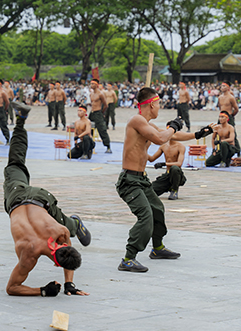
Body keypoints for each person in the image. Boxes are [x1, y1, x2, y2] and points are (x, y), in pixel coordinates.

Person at [116, 87, 214, 272]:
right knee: (146, 216)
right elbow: (162, 138)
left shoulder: (147, 124)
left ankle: (157, 248)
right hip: (129, 181)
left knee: (158, 209)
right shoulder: (137, 120)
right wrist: (173, 126)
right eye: (159, 103)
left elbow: (172, 136)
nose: (160, 107)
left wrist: (198, 134)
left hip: (141, 180)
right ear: (152, 104)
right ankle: (128, 258)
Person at [3, 101, 91, 296]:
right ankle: (75, 223)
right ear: (55, 263)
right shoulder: (30, 253)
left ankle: (21, 121)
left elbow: (13, 287)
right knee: (67, 225)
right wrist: (42, 291)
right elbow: (11, 289)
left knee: (16, 162)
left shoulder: (60, 233)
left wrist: (69, 285)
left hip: (37, 197)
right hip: (21, 198)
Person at [89, 79, 112, 153]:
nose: (91, 85)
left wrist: (101, 112)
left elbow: (105, 105)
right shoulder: (91, 94)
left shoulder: (100, 94)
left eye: (93, 84)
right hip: (92, 113)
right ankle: (89, 146)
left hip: (98, 112)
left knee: (102, 130)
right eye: (91, 84)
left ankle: (108, 146)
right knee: (89, 129)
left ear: (96, 85)